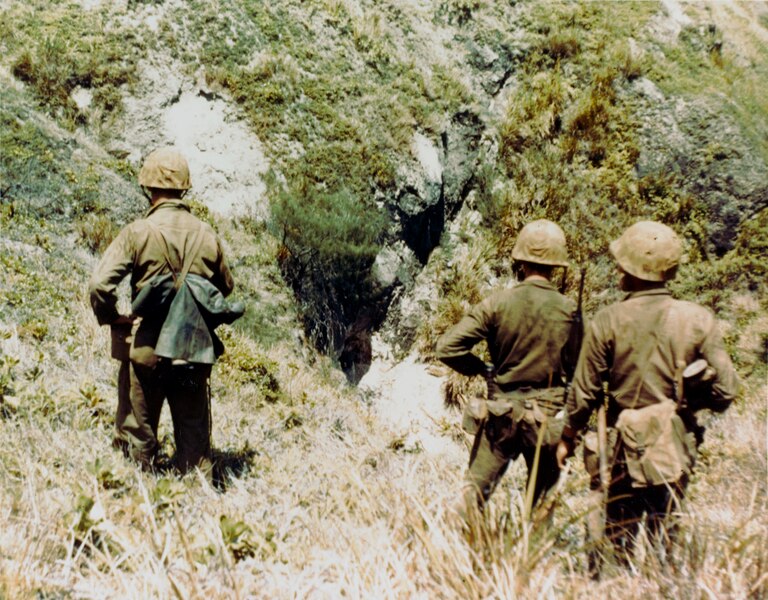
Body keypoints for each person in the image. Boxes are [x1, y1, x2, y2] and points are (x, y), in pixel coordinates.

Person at [556, 220, 739, 566]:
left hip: (621, 449)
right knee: (665, 539)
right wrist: (684, 403)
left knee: (614, 541)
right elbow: (727, 391)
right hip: (673, 451)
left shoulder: (608, 320)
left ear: (632, 270)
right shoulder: (698, 319)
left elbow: (584, 393)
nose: (618, 269)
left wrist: (568, 435)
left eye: (622, 263)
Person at [89, 147, 237, 476]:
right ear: (184, 188)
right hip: (191, 352)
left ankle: (137, 502)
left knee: (136, 440)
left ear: (148, 188)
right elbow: (225, 289)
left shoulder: (138, 232)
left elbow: (100, 285)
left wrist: (113, 317)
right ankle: (195, 501)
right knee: (195, 445)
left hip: (146, 351)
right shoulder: (206, 234)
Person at [436, 219, 576, 516]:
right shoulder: (569, 311)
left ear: (520, 263)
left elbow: (447, 347)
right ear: (556, 267)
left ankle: (452, 556)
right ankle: (530, 559)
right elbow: (582, 375)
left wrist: (482, 368)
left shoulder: (497, 303)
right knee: (539, 511)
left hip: (501, 415)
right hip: (547, 421)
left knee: (469, 502)